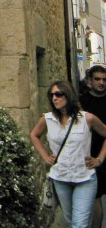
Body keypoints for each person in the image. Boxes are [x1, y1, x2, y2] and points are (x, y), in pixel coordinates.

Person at [30, 80, 106, 228]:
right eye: (52, 95)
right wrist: (45, 156)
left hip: (85, 178)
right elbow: (34, 135)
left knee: (80, 224)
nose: (54, 98)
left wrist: (99, 159)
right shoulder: (47, 119)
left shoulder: (87, 118)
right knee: (72, 222)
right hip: (60, 177)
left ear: (69, 95)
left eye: (59, 94)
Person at [80, 65, 106, 228]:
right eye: (97, 79)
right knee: (95, 196)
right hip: (92, 156)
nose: (101, 82)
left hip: (102, 154)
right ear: (90, 80)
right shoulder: (82, 102)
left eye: (104, 79)